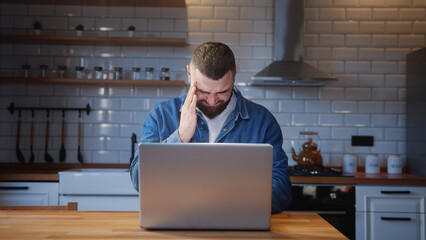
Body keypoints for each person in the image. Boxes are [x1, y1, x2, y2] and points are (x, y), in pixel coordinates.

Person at [130, 41, 292, 213]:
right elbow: (139, 180)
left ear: (235, 74)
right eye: (204, 92)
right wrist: (181, 136)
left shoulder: (263, 121)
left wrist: (222, 200)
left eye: (222, 92)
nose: (212, 101)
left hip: (239, 228)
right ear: (189, 74)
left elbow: (282, 191)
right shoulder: (161, 115)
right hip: (176, 228)